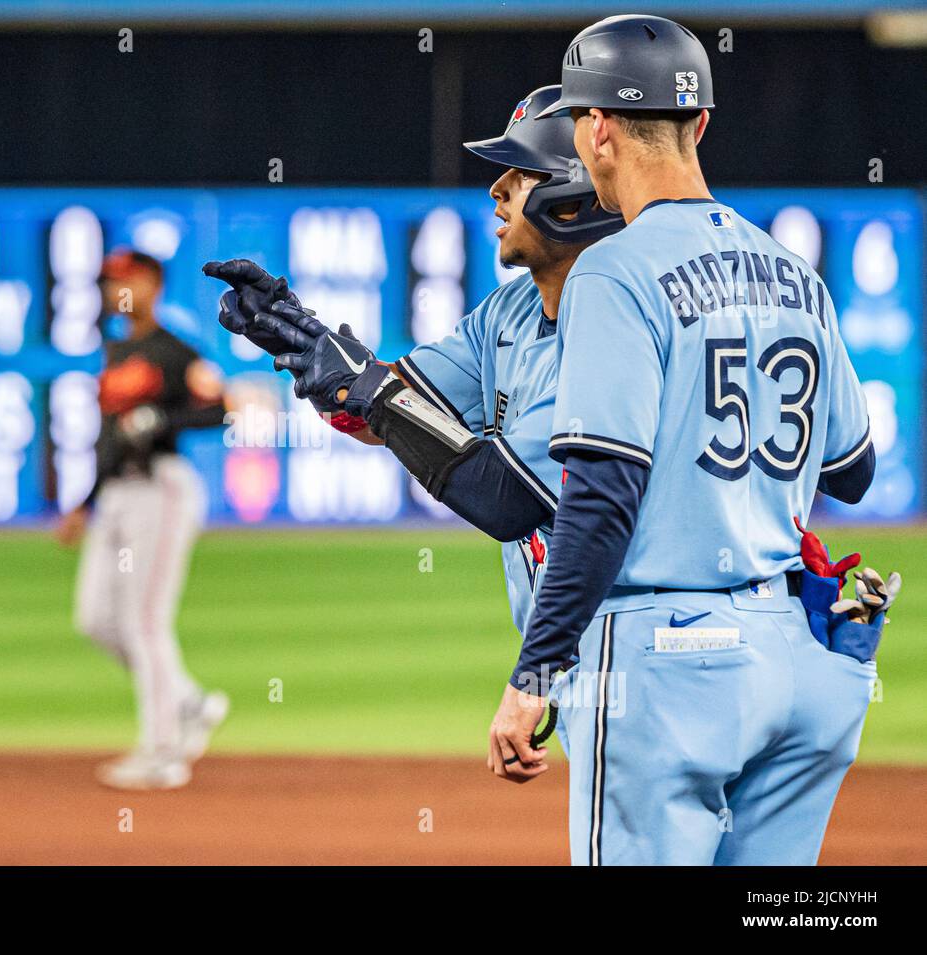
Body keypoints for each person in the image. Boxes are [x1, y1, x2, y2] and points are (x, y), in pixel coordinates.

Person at [487, 14, 885, 864]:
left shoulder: (612, 269)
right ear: (699, 123)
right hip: (797, 662)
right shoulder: (792, 269)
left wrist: (534, 675)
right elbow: (853, 468)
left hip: (665, 670)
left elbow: (598, 499)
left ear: (593, 129)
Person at [205, 83, 623, 641]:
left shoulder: (622, 318)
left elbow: (503, 499)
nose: (496, 189)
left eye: (520, 171)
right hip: (570, 644)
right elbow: (382, 413)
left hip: (645, 639)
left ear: (573, 192)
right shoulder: (509, 311)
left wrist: (369, 389)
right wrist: (301, 343)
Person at [58, 249, 230, 790]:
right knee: (96, 620)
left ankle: (162, 754)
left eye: (126, 280)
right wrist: (85, 503)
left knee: (144, 623)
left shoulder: (175, 350)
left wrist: (163, 417)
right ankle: (189, 703)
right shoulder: (116, 349)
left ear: (153, 284)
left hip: (163, 489)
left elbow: (218, 408)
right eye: (109, 281)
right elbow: (109, 438)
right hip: (116, 495)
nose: (116, 290)